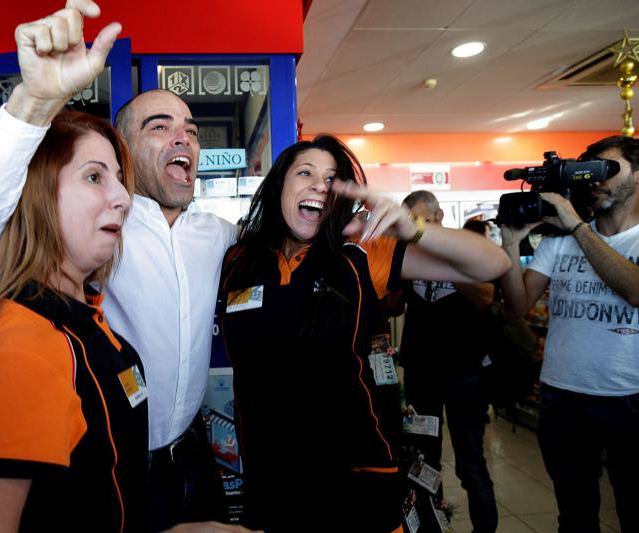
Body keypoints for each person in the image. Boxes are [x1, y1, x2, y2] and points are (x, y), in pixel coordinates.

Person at [0, 2, 234, 530]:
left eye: (190, 129)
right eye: (160, 126)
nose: (182, 137)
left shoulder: (213, 235)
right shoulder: (26, 340)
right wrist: (33, 102)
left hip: (186, 454)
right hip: (130, 461)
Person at [216, 137, 511, 532]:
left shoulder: (360, 254)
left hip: (354, 473)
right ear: (278, 185)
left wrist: (412, 227)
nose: (319, 185)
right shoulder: (238, 259)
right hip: (268, 475)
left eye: (331, 179)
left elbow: (491, 264)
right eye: (305, 173)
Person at [0, 106, 150, 532]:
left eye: (118, 179)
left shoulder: (84, 315)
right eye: (95, 177)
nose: (124, 198)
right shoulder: (22, 349)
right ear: (37, 194)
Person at [498, 135, 639, 533]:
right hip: (564, 396)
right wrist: (511, 241)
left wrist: (576, 224)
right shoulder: (558, 243)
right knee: (575, 515)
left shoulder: (578, 233)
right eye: (589, 170)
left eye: (607, 169)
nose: (595, 180)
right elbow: (517, 308)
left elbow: (635, 290)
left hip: (630, 397)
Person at [398, 192, 498, 532]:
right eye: (412, 223)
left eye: (424, 221)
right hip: (421, 369)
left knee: (471, 463)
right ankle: (430, 526)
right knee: (424, 459)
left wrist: (444, 259)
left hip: (464, 371)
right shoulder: (409, 252)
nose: (419, 228)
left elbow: (485, 297)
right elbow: (395, 305)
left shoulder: (465, 248)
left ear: (441, 216)